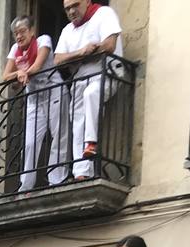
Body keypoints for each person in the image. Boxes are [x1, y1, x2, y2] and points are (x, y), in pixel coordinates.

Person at [53, 0, 124, 183]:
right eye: (67, 8)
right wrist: (82, 53)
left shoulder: (104, 14)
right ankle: (81, 172)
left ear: (87, 1)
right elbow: (58, 60)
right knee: (77, 120)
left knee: (91, 94)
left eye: (75, 5)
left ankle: (91, 142)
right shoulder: (67, 30)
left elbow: (109, 45)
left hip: (107, 72)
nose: (71, 11)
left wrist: (83, 55)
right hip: (80, 78)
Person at [2, 15, 58, 193]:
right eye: (15, 33)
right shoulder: (15, 50)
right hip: (34, 98)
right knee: (30, 142)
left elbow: (38, 66)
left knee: (58, 135)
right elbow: (6, 76)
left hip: (54, 91)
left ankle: (57, 178)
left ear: (32, 31)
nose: (18, 36)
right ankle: (26, 185)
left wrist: (22, 72)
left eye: (22, 31)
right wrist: (19, 73)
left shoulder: (44, 40)